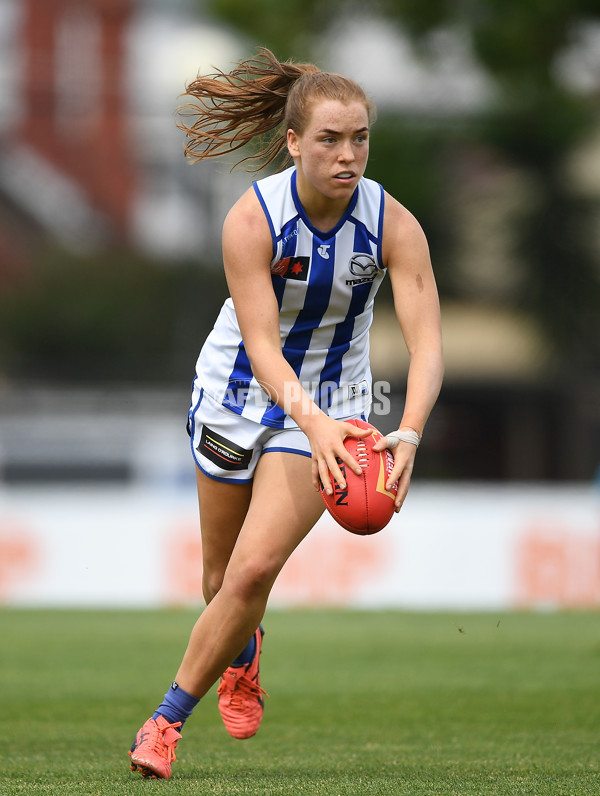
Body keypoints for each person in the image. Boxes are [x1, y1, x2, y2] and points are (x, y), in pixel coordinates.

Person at [128, 47, 444, 780]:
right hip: (238, 393)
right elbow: (264, 348)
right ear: (295, 141)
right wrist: (311, 420)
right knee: (219, 580)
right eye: (330, 139)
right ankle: (243, 657)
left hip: (333, 406)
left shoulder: (393, 223)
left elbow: (428, 342)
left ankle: (164, 722)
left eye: (360, 137)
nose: (348, 154)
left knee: (254, 569)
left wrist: (408, 433)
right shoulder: (252, 218)